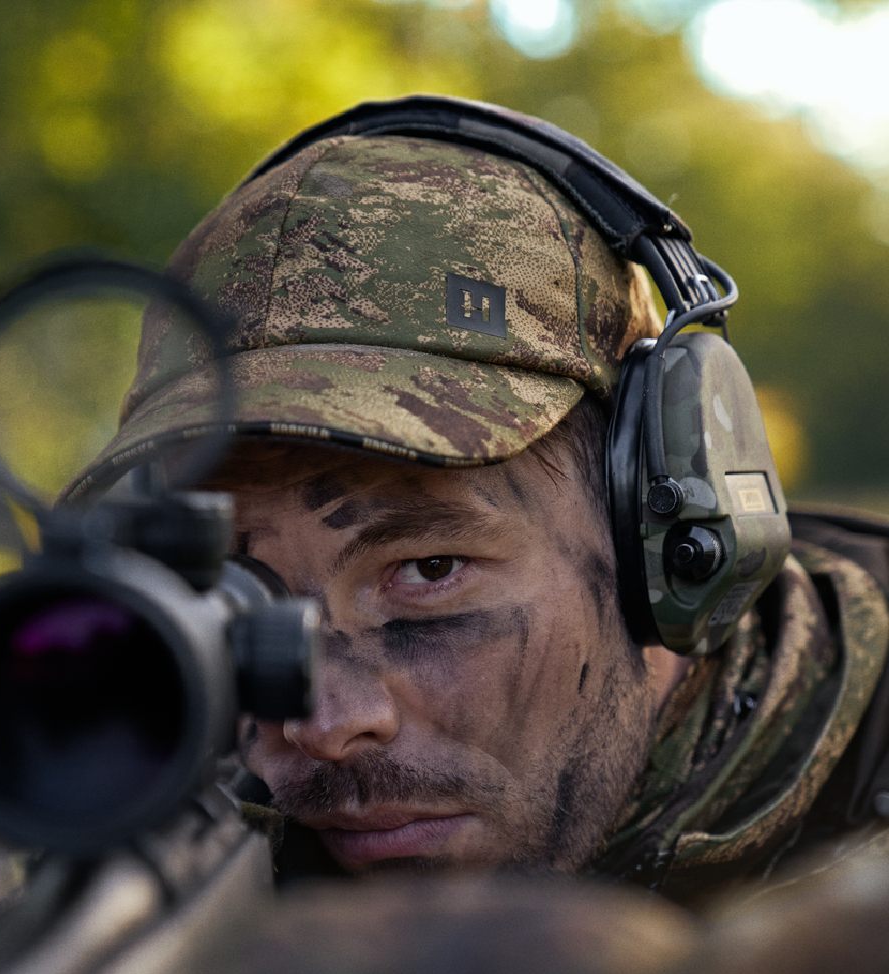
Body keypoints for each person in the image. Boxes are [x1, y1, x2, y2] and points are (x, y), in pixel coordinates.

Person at [64, 95, 889, 906]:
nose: (323, 725)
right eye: (239, 596)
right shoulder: (183, 851)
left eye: (428, 569)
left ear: (674, 541)